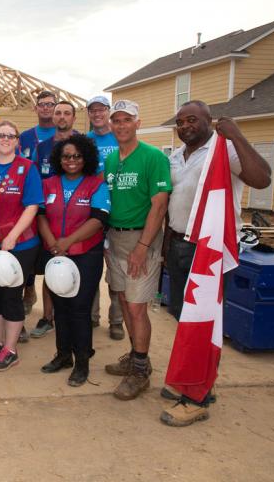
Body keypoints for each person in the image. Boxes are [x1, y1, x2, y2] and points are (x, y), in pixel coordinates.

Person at [160, 100, 271, 426]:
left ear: (209, 121)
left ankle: (196, 397)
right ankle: (196, 378)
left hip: (207, 250)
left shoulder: (225, 149)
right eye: (180, 122)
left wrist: (236, 134)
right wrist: (166, 247)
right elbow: (173, 202)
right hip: (179, 244)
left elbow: (262, 178)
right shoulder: (176, 157)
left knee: (203, 321)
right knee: (183, 316)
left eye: (192, 120)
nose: (185, 126)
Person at [103, 100, 171, 401]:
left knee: (136, 307)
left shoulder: (153, 157)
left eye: (127, 120)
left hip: (141, 239)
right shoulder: (111, 159)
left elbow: (160, 205)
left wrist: (143, 247)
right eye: (116, 120)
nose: (121, 125)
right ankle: (136, 355)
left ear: (138, 123)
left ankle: (141, 371)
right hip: (115, 239)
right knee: (122, 298)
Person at [38, 135, 109, 386]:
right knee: (60, 306)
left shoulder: (96, 184)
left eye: (77, 156)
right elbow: (41, 216)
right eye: (66, 156)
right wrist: (53, 244)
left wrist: (67, 242)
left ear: (86, 158)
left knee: (79, 309)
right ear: (59, 159)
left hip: (85, 255)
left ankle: (82, 363)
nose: (71, 160)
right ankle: (63, 355)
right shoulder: (48, 184)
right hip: (56, 255)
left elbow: (98, 219)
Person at [0, 121, 43, 371]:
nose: (5, 139)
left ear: (17, 141)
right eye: (0, 135)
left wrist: (12, 236)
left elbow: (32, 206)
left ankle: (11, 348)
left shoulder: (27, 168)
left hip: (20, 244)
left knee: (11, 296)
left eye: (10, 136)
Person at [29, 100, 82, 339]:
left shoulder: (83, 143)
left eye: (66, 113)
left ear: (73, 117)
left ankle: (77, 317)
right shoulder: (43, 147)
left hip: (77, 215)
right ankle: (47, 317)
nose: (62, 117)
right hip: (48, 217)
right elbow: (35, 177)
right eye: (58, 113)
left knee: (79, 268)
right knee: (51, 267)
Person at [85, 95, 125, 340]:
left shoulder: (120, 137)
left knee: (116, 271)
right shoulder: (86, 140)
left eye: (101, 110)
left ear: (108, 112)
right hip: (92, 211)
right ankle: (92, 316)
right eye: (93, 110)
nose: (97, 114)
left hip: (119, 211)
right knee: (91, 267)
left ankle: (117, 321)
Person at [19, 91, 57, 161]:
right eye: (41, 104)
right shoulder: (24, 137)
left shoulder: (66, 135)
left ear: (56, 108)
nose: (45, 108)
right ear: (36, 109)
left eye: (50, 104)